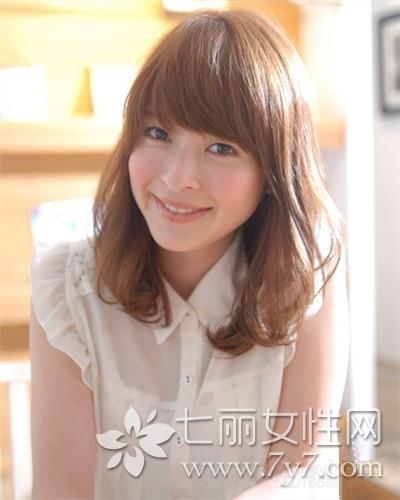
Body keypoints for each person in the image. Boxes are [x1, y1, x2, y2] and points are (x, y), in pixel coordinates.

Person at [29, 8, 349, 500]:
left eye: (221, 148)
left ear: (273, 172)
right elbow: (60, 491)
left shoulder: (306, 275)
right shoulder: (67, 288)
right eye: (159, 134)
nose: (177, 178)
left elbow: (300, 473)